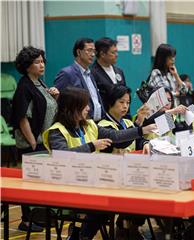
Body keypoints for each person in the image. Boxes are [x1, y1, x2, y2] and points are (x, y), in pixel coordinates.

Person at [42, 87, 156, 239]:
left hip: (91, 181)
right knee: (103, 205)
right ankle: (83, 235)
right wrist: (91, 146)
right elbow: (62, 156)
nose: (88, 108)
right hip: (67, 184)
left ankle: (120, 229)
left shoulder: (89, 125)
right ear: (71, 108)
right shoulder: (56, 131)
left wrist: (141, 130)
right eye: (84, 105)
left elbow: (115, 136)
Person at [11, 46, 59, 232]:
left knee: (40, 182)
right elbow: (22, 118)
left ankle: (39, 217)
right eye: (37, 62)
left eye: (42, 62)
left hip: (44, 140)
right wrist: (32, 142)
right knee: (30, 182)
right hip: (33, 142)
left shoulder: (41, 83)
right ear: (27, 66)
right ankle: (27, 220)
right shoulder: (24, 87)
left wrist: (55, 95)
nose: (42, 65)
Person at [54, 38, 105, 121]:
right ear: (78, 52)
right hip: (79, 123)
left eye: (94, 51)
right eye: (89, 50)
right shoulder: (67, 73)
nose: (92, 54)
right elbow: (59, 101)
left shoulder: (90, 73)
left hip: (96, 123)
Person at [98, 85, 150, 154]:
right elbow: (121, 141)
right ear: (111, 102)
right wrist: (138, 124)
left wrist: (145, 143)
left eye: (128, 103)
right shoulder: (102, 125)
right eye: (121, 102)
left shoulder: (128, 122)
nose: (125, 106)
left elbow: (138, 140)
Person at [91, 37, 126, 102]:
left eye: (116, 52)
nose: (116, 55)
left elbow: (125, 95)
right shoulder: (92, 73)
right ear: (102, 54)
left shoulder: (119, 71)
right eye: (113, 52)